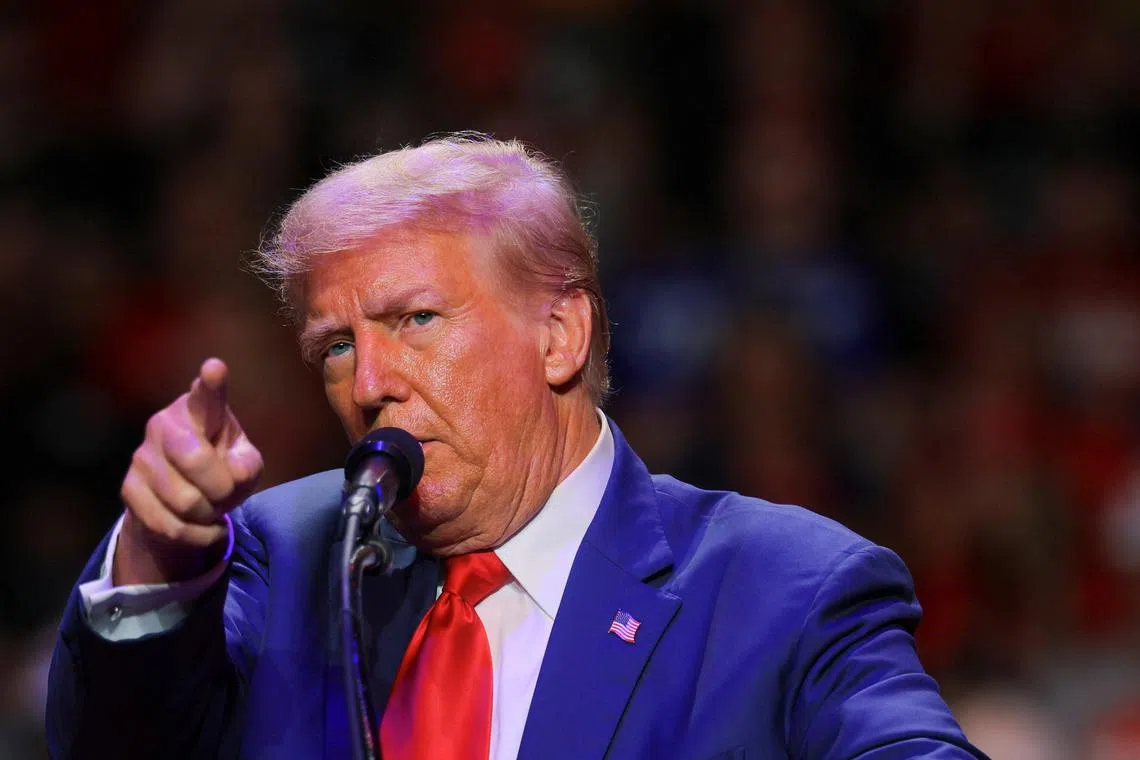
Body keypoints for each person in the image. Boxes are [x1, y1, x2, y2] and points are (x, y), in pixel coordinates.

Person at [46, 134, 986, 759]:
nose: (368, 383)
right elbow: (112, 745)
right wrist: (158, 560)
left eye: (416, 320)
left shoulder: (784, 590)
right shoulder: (279, 555)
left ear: (560, 335)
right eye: (335, 346)